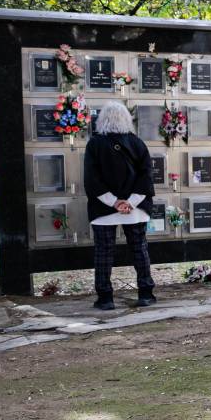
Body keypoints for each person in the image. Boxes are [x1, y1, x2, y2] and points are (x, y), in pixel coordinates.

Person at [83, 100, 158, 311]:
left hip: (104, 211)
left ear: (102, 120)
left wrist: (113, 202)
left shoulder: (94, 144)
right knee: (139, 249)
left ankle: (105, 298)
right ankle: (145, 293)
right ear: (126, 119)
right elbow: (146, 176)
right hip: (135, 210)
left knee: (103, 253)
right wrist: (131, 202)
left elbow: (91, 179)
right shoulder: (137, 143)